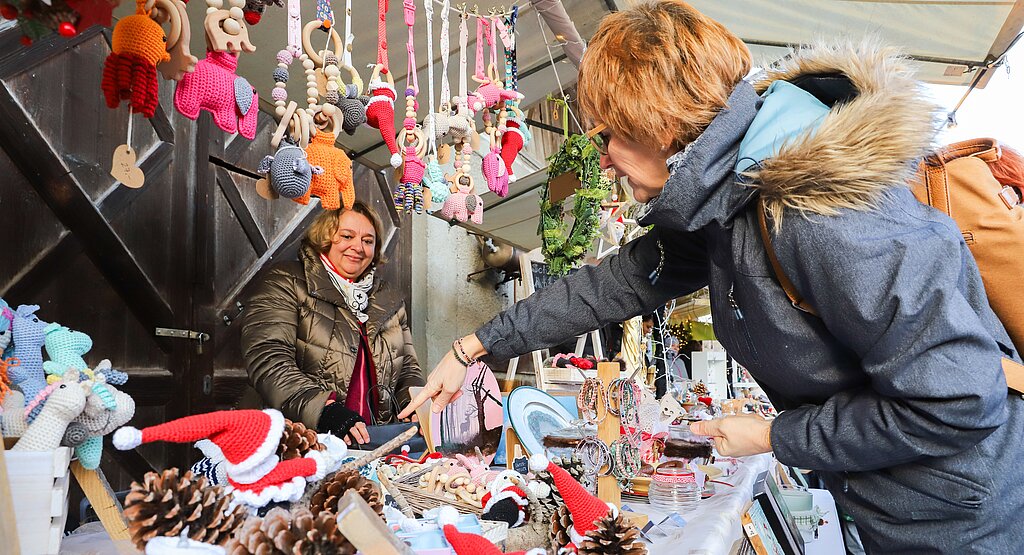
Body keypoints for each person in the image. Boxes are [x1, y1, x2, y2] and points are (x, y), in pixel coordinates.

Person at [399, 2, 1024, 551]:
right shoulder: (734, 200)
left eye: (609, 135)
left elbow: (957, 405)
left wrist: (775, 435)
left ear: (659, 120)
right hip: (896, 501)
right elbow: (615, 283)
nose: (605, 158)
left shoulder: (822, 215)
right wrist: (472, 347)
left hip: (962, 515)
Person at [241, 203, 424, 446]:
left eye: (368, 241)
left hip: (375, 442)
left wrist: (416, 406)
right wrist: (323, 410)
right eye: (347, 236)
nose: (358, 247)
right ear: (324, 237)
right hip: (303, 440)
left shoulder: (389, 299)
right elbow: (268, 357)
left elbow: (408, 368)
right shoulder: (286, 281)